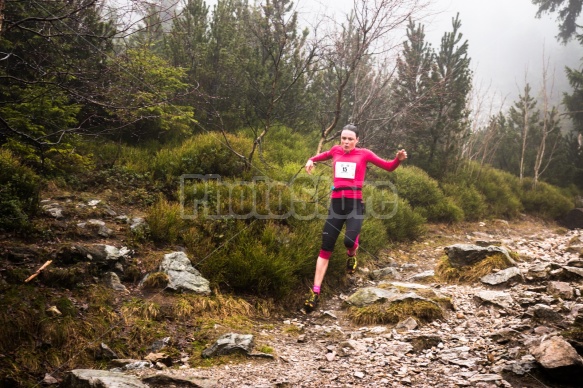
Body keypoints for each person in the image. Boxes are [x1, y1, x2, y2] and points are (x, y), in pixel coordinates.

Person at [303, 124, 407, 313]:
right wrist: (311, 159)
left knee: (349, 241)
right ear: (340, 139)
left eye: (350, 139)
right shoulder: (335, 150)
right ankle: (315, 292)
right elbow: (320, 156)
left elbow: (388, 167)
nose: (346, 142)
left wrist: (397, 160)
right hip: (336, 206)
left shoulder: (365, 154)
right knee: (326, 246)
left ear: (357, 140)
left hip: (355, 206)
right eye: (344, 138)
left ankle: (352, 255)